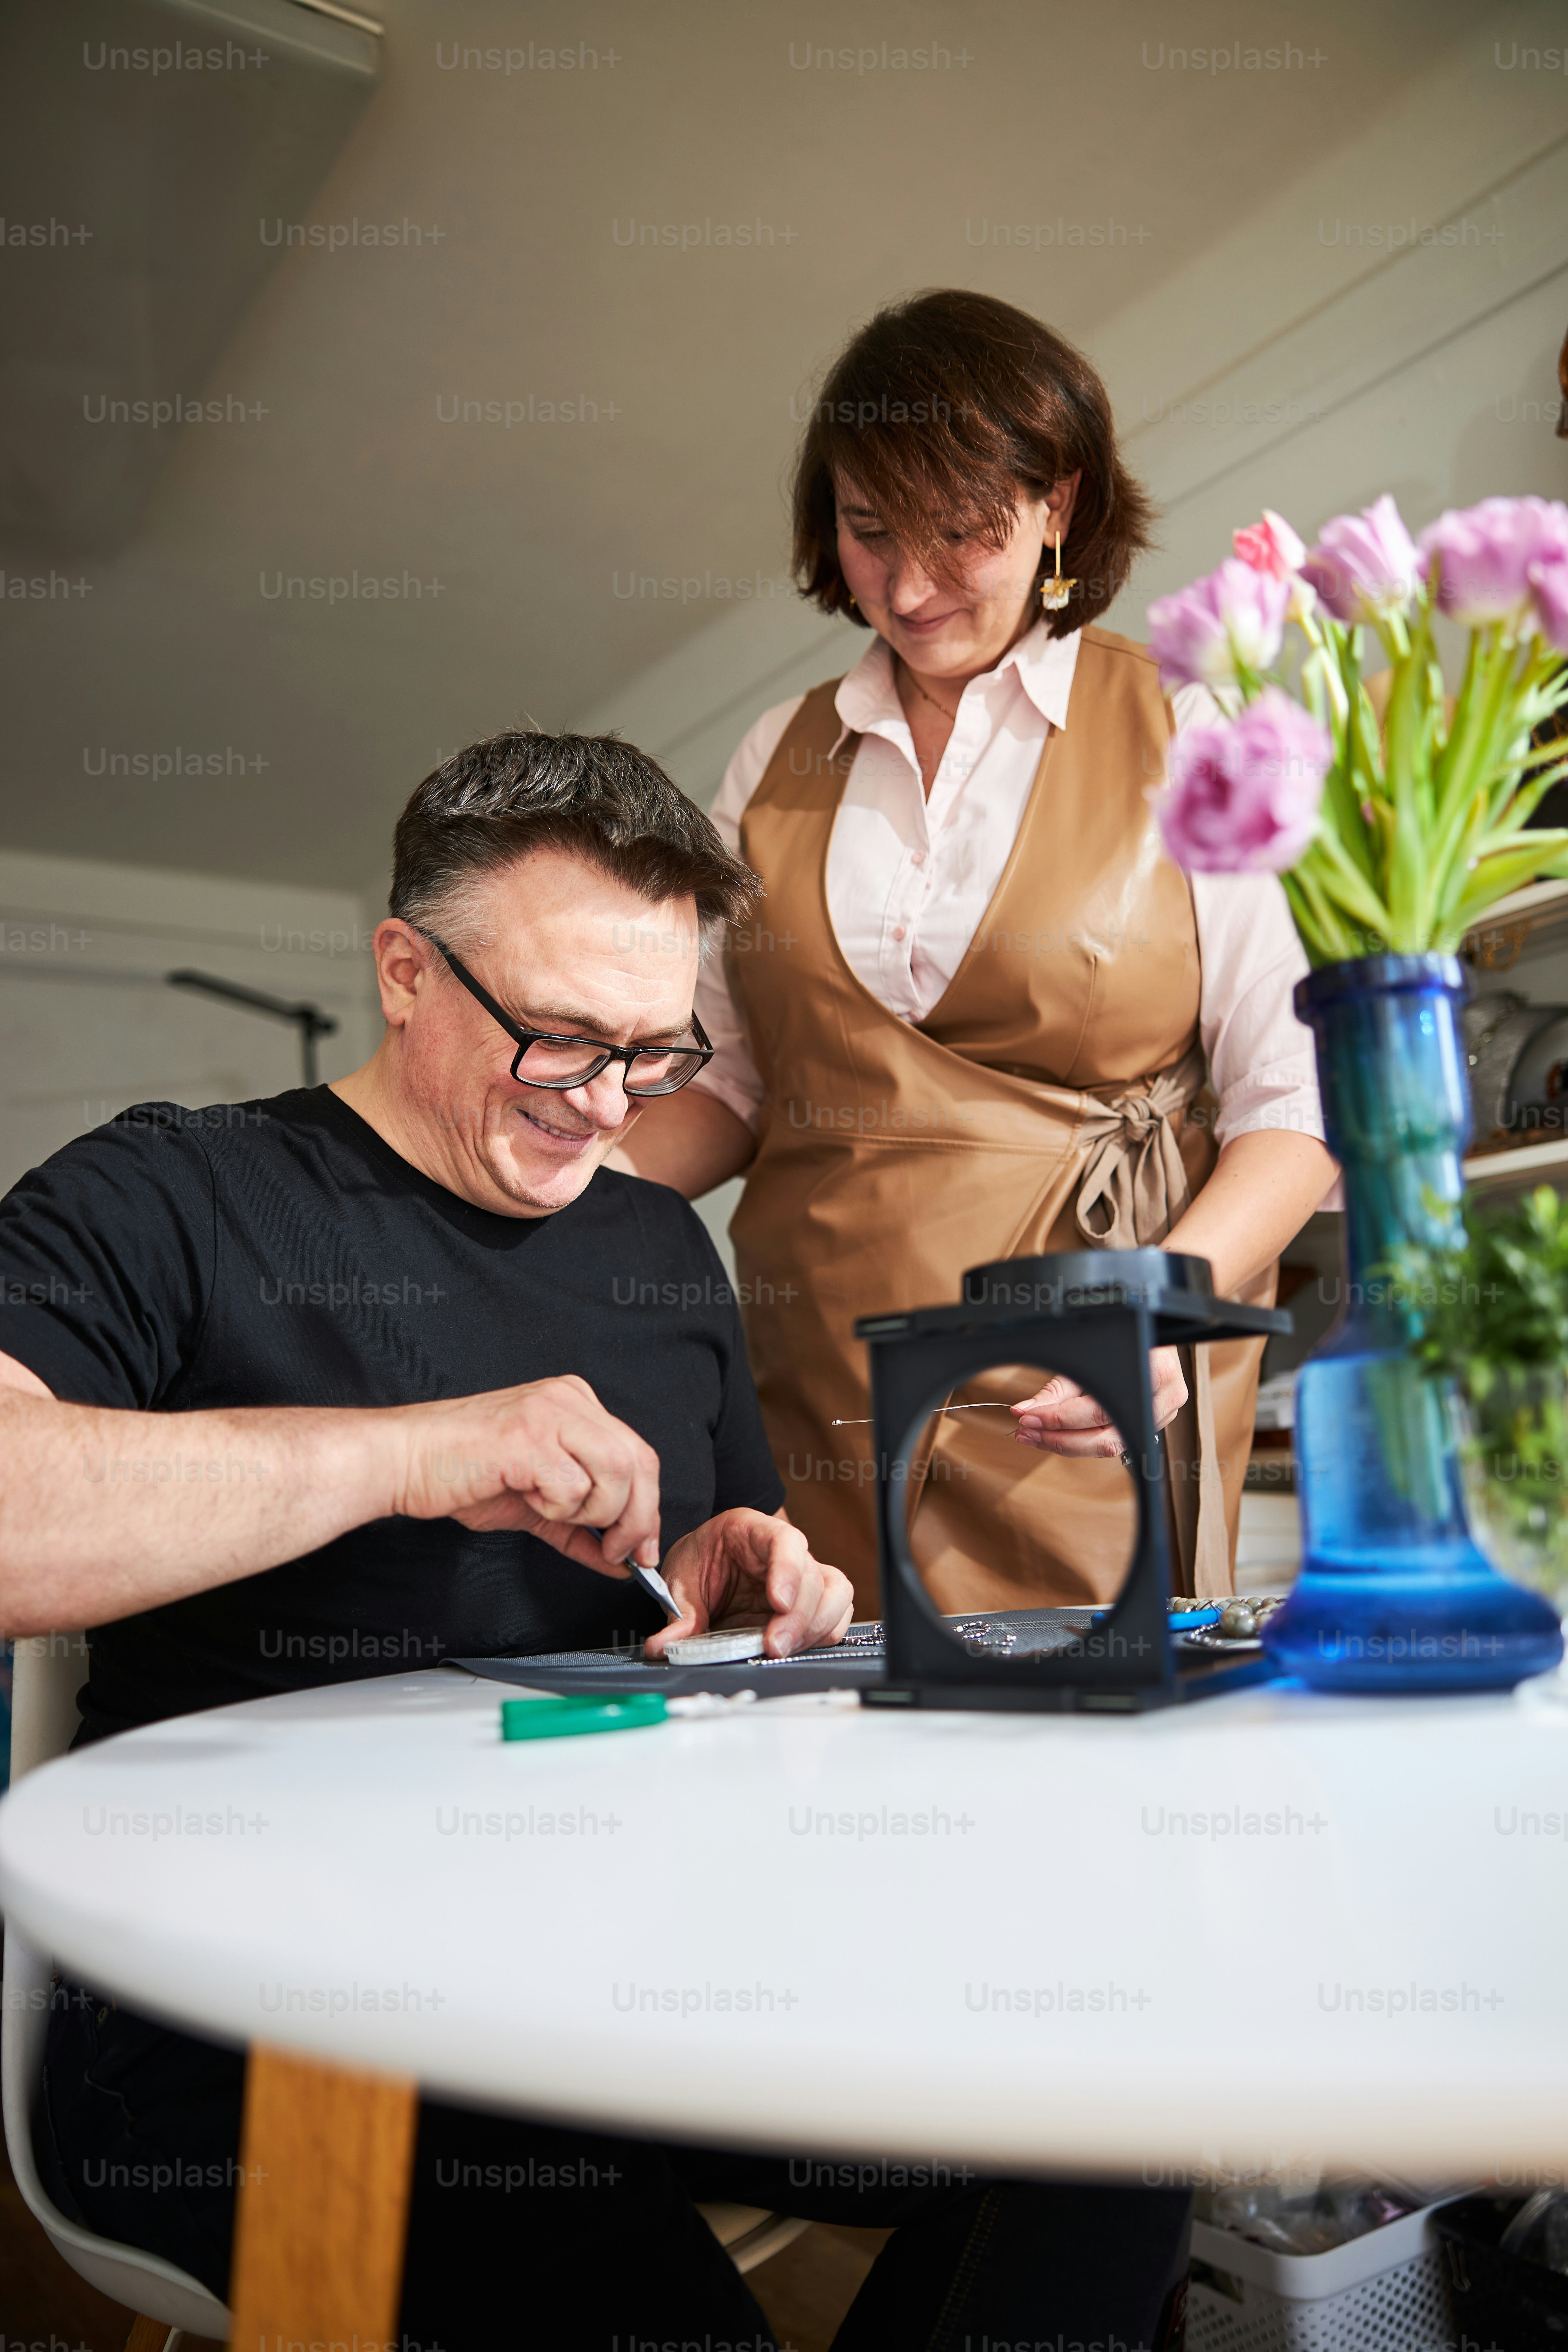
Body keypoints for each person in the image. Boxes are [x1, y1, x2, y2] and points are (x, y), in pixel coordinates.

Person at [2, 732, 1189, 2350]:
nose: (612, 1106)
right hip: (253, 2014)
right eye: (563, 1043)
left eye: (655, 1052)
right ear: (405, 972)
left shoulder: (653, 1246)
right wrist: (417, 1451)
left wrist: (734, 1574)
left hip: (625, 1970)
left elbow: (692, 1580)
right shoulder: (173, 1197)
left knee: (1117, 2108)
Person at [618, 288, 1338, 1618]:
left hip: (1083, 1383)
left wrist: (1161, 1308)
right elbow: (727, 1088)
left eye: (962, 532)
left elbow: (1295, 1108)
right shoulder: (772, 759)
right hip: (818, 1389)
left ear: (1058, 503)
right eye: (869, 530)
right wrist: (534, 1185)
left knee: (1087, 1786)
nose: (906, 586)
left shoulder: (1183, 717)